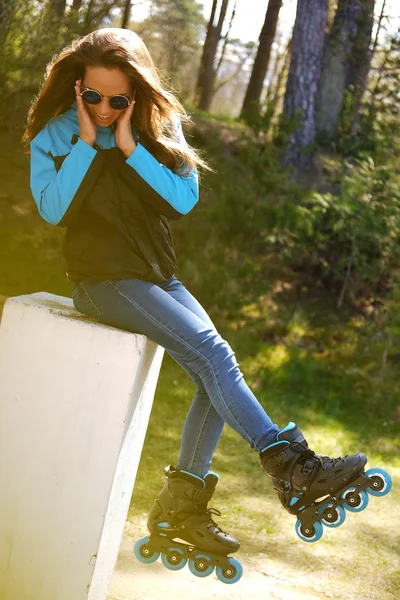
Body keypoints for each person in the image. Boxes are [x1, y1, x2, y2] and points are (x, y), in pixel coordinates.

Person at [23, 27, 391, 584]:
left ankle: (182, 504)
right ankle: (292, 468)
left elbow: (183, 198)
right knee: (213, 355)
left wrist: (128, 146)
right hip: (103, 282)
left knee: (213, 371)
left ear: (136, 95)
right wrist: (84, 144)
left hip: (157, 278)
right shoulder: (54, 136)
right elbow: (52, 210)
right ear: (77, 88)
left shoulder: (153, 130)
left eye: (116, 99)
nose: (102, 108)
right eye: (92, 96)